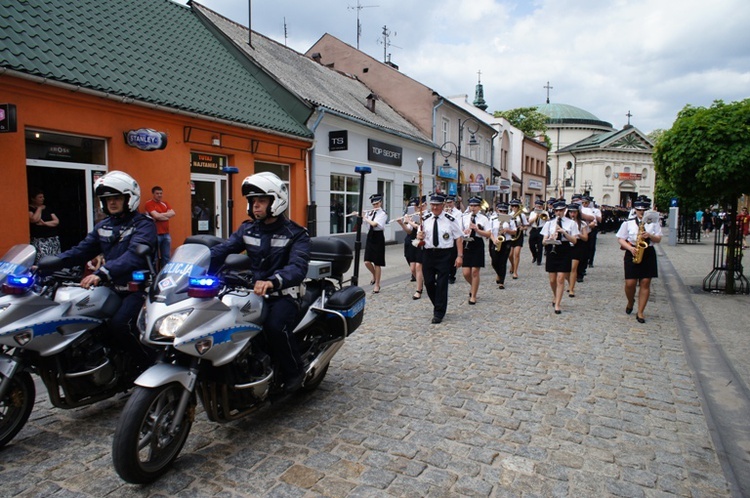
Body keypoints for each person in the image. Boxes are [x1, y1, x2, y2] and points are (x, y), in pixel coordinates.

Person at [209, 172, 309, 393]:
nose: (255, 206)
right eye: (253, 201)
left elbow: (297, 267)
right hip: (253, 293)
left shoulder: (296, 234)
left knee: (275, 327)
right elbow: (222, 250)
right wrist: (197, 263)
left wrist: (273, 281)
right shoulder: (248, 229)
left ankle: (295, 371)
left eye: (261, 201)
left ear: (276, 201)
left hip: (284, 294)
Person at [54, 171, 157, 367]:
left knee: (120, 325)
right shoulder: (103, 226)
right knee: (85, 319)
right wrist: (48, 263)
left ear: (129, 198)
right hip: (110, 287)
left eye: (117, 198)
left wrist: (102, 272)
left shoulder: (143, 225)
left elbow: (134, 256)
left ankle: (149, 366)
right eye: (107, 199)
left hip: (137, 289)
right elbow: (80, 251)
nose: (112, 203)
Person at [416, 193, 464, 324]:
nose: (434, 207)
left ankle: (439, 312)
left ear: (443, 205)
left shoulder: (450, 219)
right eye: (432, 205)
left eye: (437, 205)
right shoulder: (425, 218)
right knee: (429, 282)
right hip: (428, 253)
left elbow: (458, 237)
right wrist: (419, 236)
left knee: (442, 283)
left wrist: (459, 256)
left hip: (445, 254)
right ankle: (438, 303)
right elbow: (419, 236)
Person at [616, 199, 662, 323]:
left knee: (645, 282)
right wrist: (630, 248)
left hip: (648, 252)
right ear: (635, 210)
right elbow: (620, 238)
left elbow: (658, 239)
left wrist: (650, 236)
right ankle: (631, 301)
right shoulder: (628, 223)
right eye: (639, 210)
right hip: (632, 251)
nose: (641, 212)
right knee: (630, 283)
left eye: (644, 210)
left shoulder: (654, 223)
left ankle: (640, 312)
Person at [541, 200, 579, 314]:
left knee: (561, 278)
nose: (559, 213)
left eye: (561, 210)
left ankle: (558, 304)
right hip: (552, 249)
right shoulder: (549, 223)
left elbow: (575, 240)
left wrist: (564, 233)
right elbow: (543, 242)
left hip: (565, 249)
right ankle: (555, 295)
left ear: (564, 210)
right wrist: (550, 238)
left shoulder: (571, 223)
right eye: (556, 211)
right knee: (552, 279)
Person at [461, 197, 491, 304]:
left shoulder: (484, 218)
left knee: (475, 271)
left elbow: (488, 234)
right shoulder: (464, 217)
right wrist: (464, 231)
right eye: (471, 206)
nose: (473, 208)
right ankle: (474, 285)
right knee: (465, 272)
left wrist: (477, 230)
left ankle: (473, 295)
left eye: (475, 206)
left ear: (479, 207)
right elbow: (459, 231)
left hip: (477, 243)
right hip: (466, 243)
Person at [395, 197, 424, 300]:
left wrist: (410, 221)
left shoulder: (425, 215)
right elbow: (409, 231)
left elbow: (418, 227)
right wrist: (402, 223)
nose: (415, 208)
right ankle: (420, 283)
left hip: (421, 242)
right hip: (413, 242)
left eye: (417, 206)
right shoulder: (413, 216)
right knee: (412, 268)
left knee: (418, 266)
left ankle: (418, 289)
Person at [144, 185, 175, 270]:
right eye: (157, 193)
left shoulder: (165, 203)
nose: (159, 195)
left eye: (161, 193)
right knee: (155, 257)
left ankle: (164, 273)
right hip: (155, 234)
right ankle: (154, 275)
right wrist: (165, 216)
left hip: (166, 234)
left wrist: (160, 216)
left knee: (166, 257)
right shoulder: (149, 204)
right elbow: (156, 216)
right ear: (153, 194)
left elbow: (173, 213)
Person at [28, 188, 61, 263]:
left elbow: (56, 221)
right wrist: (39, 208)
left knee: (55, 259)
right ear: (33, 199)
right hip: (39, 240)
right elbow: (34, 219)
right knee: (43, 260)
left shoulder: (47, 208)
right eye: (40, 197)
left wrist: (44, 223)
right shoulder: (30, 208)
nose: (43, 199)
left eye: (43, 197)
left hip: (52, 239)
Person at [363, 193, 387, 293]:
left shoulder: (383, 214)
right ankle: (374, 275)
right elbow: (367, 225)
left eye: (377, 204)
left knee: (377, 263)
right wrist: (363, 215)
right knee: (367, 261)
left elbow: (374, 224)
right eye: (373, 204)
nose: (375, 206)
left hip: (378, 237)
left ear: (380, 203)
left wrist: (364, 217)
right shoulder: (371, 213)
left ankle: (377, 284)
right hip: (370, 236)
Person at [489, 202, 515, 289]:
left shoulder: (510, 219)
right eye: (501, 211)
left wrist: (508, 230)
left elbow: (515, 231)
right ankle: (499, 274)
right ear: (497, 210)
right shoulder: (493, 219)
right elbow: (489, 231)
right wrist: (494, 240)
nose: (503, 213)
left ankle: (501, 281)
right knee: (494, 262)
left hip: (506, 242)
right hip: (494, 241)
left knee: (503, 262)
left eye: (505, 211)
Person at [566, 204, 589, 298]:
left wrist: (578, 234)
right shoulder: (565, 222)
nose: (572, 214)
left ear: (577, 213)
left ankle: (571, 289)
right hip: (567, 245)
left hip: (578, 245)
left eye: (574, 212)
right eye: (571, 212)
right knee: (566, 269)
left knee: (573, 268)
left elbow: (586, 238)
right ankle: (570, 282)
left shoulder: (582, 223)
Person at [444, 195, 463, 284]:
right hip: (444, 237)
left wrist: (450, 216)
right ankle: (445, 274)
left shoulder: (458, 213)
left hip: (454, 237)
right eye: (447, 203)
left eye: (450, 202)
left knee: (452, 257)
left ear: (453, 202)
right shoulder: (443, 212)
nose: (449, 204)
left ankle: (452, 275)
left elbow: (458, 226)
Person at [508, 199, 528, 280]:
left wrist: (522, 228)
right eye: (512, 206)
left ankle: (515, 271)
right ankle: (512, 265)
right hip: (511, 235)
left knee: (516, 254)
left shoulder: (522, 215)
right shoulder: (509, 215)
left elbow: (526, 226)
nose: (514, 207)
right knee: (510, 255)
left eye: (516, 206)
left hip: (519, 235)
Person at [527, 199, 546, 266]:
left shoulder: (545, 212)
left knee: (540, 246)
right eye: (537, 207)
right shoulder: (532, 213)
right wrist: (536, 216)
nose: (538, 208)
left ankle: (539, 260)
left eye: (539, 207)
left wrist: (542, 215)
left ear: (542, 207)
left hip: (541, 229)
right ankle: (535, 256)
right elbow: (529, 222)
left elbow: (547, 219)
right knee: (531, 244)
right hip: (534, 229)